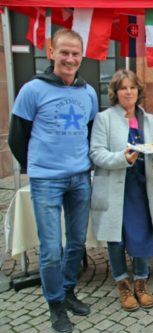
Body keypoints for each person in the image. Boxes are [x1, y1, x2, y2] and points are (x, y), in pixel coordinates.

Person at [8, 28, 98, 333]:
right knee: (50, 249)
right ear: (51, 53)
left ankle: (69, 291)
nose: (70, 59)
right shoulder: (32, 90)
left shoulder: (88, 93)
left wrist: (81, 165)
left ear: (82, 56)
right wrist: (37, 165)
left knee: (76, 243)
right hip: (46, 180)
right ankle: (55, 305)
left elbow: (89, 134)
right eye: (64, 52)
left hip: (80, 177)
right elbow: (17, 138)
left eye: (75, 53)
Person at [90, 70, 153, 312]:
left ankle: (141, 282)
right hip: (115, 187)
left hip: (141, 186)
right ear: (116, 92)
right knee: (116, 238)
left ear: (138, 91)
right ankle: (122, 282)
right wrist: (122, 159)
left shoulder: (149, 120)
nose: (128, 92)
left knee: (142, 234)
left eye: (132, 87)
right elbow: (96, 153)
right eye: (123, 88)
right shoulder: (104, 119)